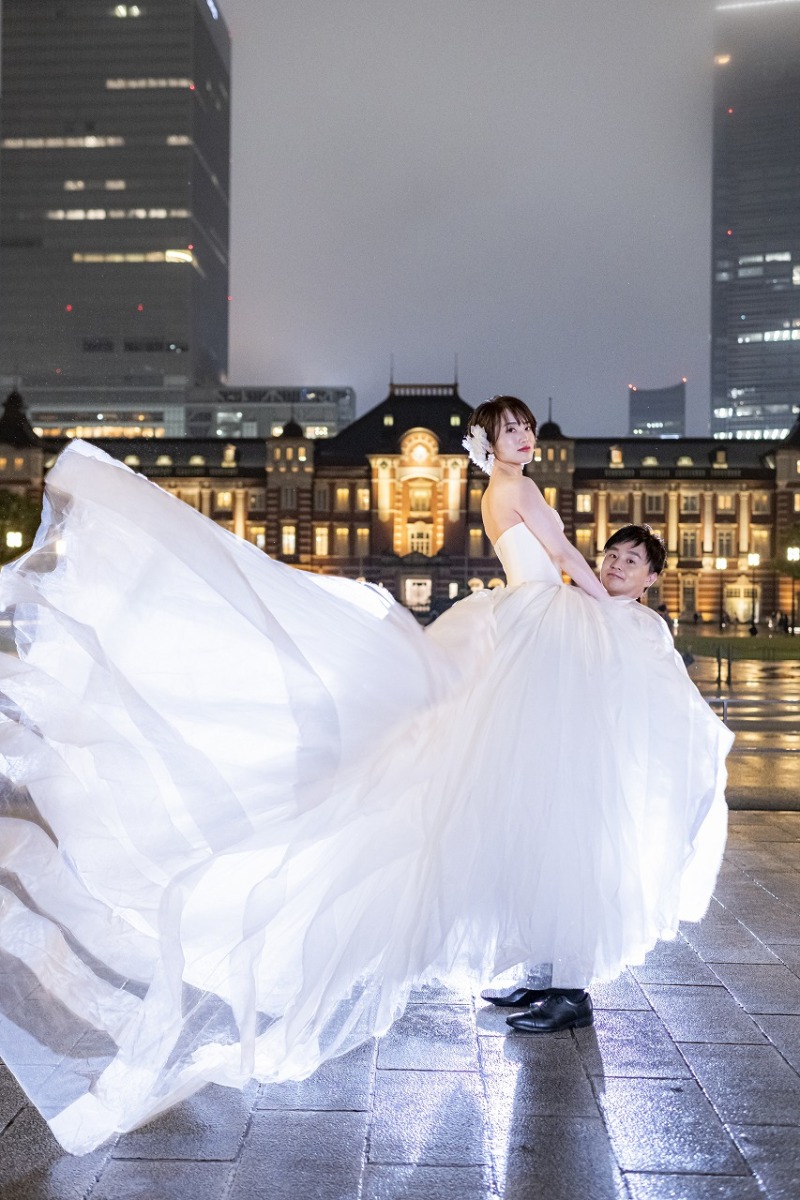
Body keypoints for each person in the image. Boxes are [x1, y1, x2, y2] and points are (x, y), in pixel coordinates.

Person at [0, 402, 732, 1154]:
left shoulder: (500, 489)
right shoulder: (518, 491)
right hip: (543, 634)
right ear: (490, 440)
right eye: (511, 428)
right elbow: (572, 564)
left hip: (528, 633)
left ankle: (558, 978)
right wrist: (610, 606)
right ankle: (559, 978)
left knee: (540, 801)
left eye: (528, 428)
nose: (526, 437)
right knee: (551, 803)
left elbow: (562, 563)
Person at [481, 516, 669, 1031]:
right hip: (553, 753)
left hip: (598, 764)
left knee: (578, 868)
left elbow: (645, 700)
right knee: (541, 861)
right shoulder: (576, 605)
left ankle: (572, 992)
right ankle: (541, 977)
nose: (617, 564)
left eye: (632, 560)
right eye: (612, 554)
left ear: (650, 578)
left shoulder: (644, 627)